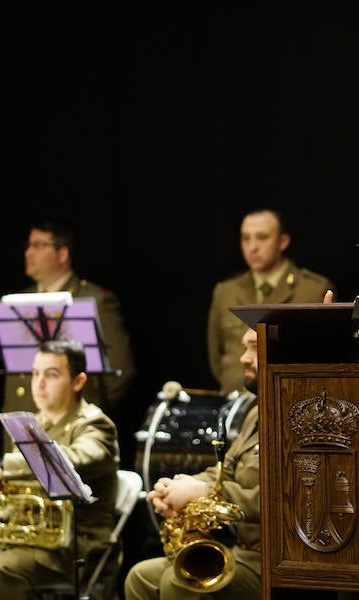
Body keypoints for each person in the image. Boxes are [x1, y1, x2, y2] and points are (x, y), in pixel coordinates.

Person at [0, 338, 120, 598]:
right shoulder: (33, 423)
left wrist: (7, 465)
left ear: (78, 382)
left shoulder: (95, 424)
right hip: (27, 535)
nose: (38, 383)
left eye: (51, 375)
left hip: (73, 545)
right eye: (35, 373)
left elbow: (81, 456)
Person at [124, 327, 261, 599]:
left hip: (270, 561)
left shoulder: (301, 415)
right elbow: (226, 470)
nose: (244, 358)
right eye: (244, 348)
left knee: (178, 584)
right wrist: (183, 487)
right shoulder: (257, 410)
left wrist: (205, 495)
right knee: (139, 577)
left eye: (255, 348)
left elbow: (290, 502)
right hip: (243, 551)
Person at [1, 220, 136, 451]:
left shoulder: (94, 299)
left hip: (72, 430)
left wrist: (84, 404)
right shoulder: (18, 301)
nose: (28, 252)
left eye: (38, 245)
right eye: (28, 245)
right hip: (23, 423)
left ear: (62, 254)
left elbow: (120, 370)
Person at [207, 208, 335, 395]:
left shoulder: (312, 289)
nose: (252, 247)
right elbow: (216, 358)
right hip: (234, 403)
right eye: (245, 238)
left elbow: (323, 354)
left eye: (262, 237)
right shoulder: (225, 291)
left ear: (282, 241)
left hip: (289, 397)